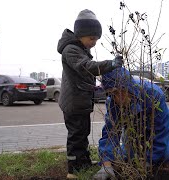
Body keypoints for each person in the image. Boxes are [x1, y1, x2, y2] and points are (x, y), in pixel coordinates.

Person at [57, 9, 123, 179]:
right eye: (92, 38)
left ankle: (83, 161)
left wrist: (96, 87)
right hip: (74, 102)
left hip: (81, 101)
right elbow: (87, 66)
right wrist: (111, 64)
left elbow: (84, 75)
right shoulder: (71, 50)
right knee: (76, 135)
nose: (94, 42)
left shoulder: (80, 49)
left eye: (96, 39)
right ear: (81, 34)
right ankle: (73, 169)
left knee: (83, 132)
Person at [93, 67, 169, 180]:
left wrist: (149, 161)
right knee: (129, 157)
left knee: (167, 156)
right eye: (113, 93)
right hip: (133, 130)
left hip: (155, 128)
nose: (119, 97)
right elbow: (111, 133)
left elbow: (161, 130)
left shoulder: (153, 94)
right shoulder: (112, 103)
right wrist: (106, 164)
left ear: (129, 86)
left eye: (122, 91)